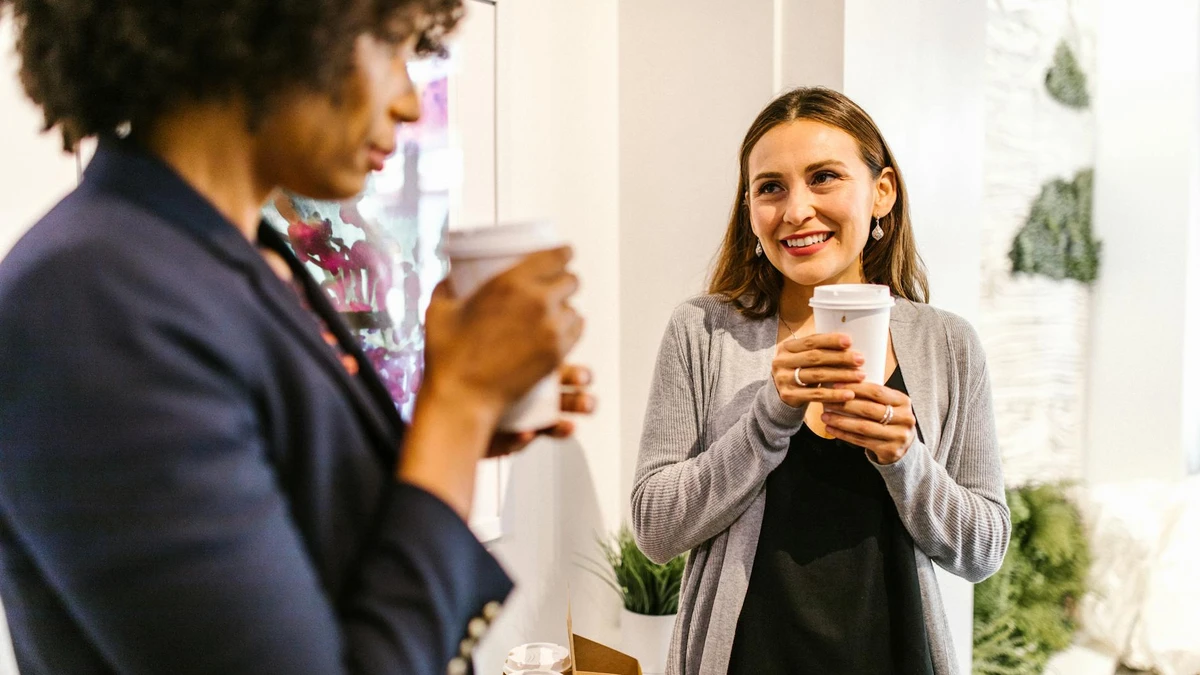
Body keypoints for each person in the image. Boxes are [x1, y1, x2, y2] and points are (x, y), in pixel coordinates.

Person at [0, 1, 591, 673]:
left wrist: (458, 423)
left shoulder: (249, 258)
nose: (408, 102)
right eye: (390, 43)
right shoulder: (88, 296)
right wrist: (462, 403)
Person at [631, 87, 1010, 675]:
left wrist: (906, 458)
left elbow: (983, 548)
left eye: (824, 177)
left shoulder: (949, 346)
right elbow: (655, 528)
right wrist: (768, 416)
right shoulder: (702, 331)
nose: (796, 210)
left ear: (881, 192)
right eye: (770, 187)